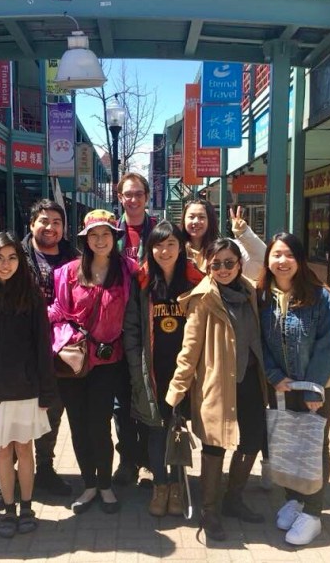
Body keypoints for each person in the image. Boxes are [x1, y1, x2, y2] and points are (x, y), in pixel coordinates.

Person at [165, 238, 268, 542]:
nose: (223, 269)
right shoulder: (203, 299)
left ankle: (233, 499)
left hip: (250, 381)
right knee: (215, 445)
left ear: (239, 264)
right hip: (217, 384)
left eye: (229, 263)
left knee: (252, 440)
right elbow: (189, 350)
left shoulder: (249, 291)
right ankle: (210, 511)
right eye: (216, 264)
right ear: (208, 266)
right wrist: (177, 389)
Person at [0, 232, 58, 538]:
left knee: (25, 448)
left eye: (11, 258)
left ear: (20, 261)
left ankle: (27, 507)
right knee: (2, 451)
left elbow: (43, 347)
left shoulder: (31, 295)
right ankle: (8, 509)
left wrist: (46, 391)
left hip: (25, 386)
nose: (5, 265)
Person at [49, 209, 138, 515]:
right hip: (74, 359)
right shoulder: (67, 272)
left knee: (100, 423)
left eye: (106, 234)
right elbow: (59, 311)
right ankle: (89, 484)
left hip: (110, 360)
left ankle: (105, 484)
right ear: (85, 240)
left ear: (115, 237)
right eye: (94, 235)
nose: (100, 240)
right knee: (78, 424)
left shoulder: (129, 271)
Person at [256, 232, 330, 546]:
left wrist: (312, 389)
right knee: (287, 443)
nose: (283, 261)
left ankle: (313, 513)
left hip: (315, 387)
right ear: (268, 260)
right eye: (276, 254)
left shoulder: (321, 297)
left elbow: (328, 347)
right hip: (280, 385)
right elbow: (258, 342)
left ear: (300, 260)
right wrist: (273, 375)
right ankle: (294, 499)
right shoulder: (262, 296)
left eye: (289, 254)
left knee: (314, 445)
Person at [123, 221, 203, 517]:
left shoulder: (195, 281)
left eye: (171, 244)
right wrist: (137, 368)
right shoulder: (142, 282)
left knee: (178, 428)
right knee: (156, 430)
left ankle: (178, 486)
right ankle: (160, 485)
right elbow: (132, 328)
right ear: (150, 249)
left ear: (181, 247)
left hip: (185, 372)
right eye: (158, 245)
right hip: (153, 372)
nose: (165, 251)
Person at [22, 199, 80, 496]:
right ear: (32, 224)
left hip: (59, 349)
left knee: (52, 410)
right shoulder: (16, 255)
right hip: (21, 346)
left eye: (57, 222)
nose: (50, 227)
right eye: (44, 221)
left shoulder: (75, 257)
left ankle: (44, 468)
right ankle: (3, 474)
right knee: (16, 410)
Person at [113, 172, 157, 487]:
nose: (133, 199)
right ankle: (128, 459)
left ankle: (152, 461)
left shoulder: (159, 231)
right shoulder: (109, 232)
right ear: (120, 197)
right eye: (127, 194)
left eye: (138, 193)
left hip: (152, 324)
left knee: (152, 394)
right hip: (117, 327)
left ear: (147, 196)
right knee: (122, 402)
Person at [181, 200, 265, 279]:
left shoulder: (227, 248)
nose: (196, 221)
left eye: (201, 217)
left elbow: (261, 265)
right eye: (191, 217)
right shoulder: (176, 249)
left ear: (210, 220)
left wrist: (244, 233)